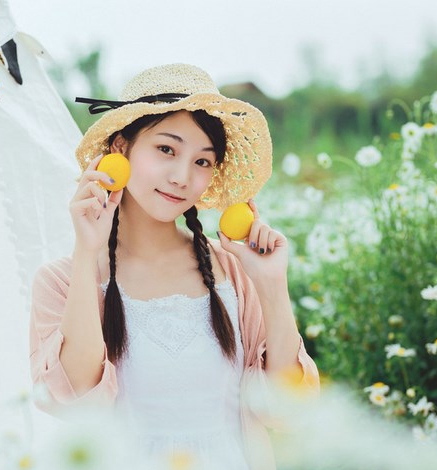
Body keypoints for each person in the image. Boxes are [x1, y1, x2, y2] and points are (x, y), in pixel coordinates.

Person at [29, 64, 319, 470]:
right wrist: (86, 251)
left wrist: (271, 286)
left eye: (203, 161)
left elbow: (286, 412)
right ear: (119, 150)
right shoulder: (61, 281)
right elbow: (76, 400)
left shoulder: (232, 272)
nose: (182, 177)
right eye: (167, 149)